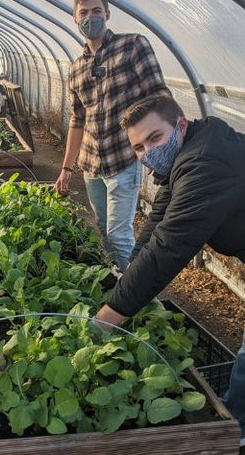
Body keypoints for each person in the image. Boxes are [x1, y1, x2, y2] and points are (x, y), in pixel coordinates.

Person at [94, 94, 245, 446]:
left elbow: (168, 249)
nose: (147, 151)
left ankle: (235, 431)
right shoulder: (190, 150)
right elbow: (158, 222)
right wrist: (129, 272)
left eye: (155, 138)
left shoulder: (207, 162)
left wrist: (105, 319)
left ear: (180, 124)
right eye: (138, 147)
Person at [55, 0, 171, 271]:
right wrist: (66, 169)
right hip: (92, 165)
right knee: (106, 231)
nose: (90, 17)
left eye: (96, 11)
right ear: (74, 17)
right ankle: (120, 284)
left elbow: (159, 98)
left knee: (119, 236)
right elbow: (77, 121)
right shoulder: (76, 69)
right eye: (84, 12)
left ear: (107, 14)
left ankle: (134, 299)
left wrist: (163, 156)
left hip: (123, 160)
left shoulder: (132, 46)